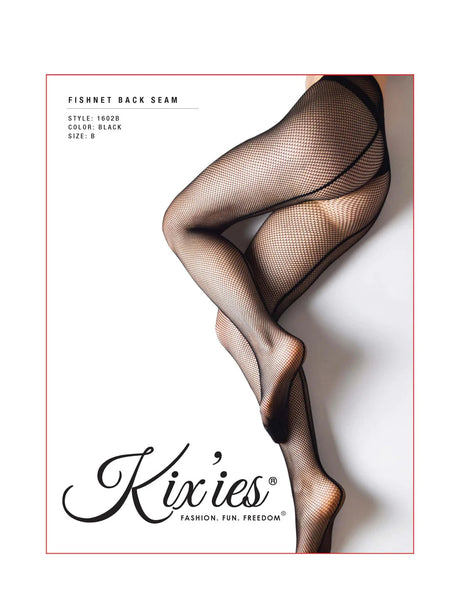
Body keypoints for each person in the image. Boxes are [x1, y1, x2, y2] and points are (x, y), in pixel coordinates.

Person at [162, 75, 391, 552]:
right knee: (235, 326)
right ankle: (310, 485)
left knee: (181, 223)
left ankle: (273, 345)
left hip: (336, 121)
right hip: (362, 180)